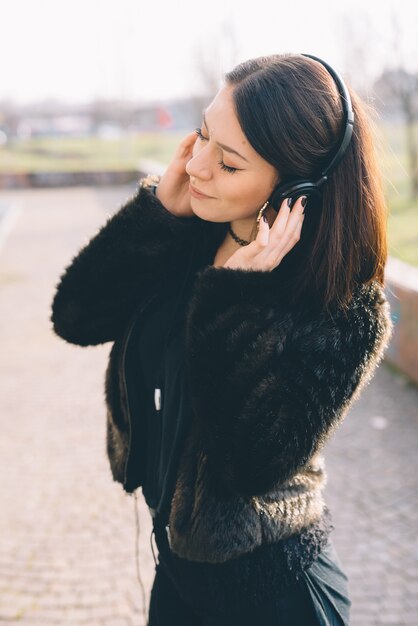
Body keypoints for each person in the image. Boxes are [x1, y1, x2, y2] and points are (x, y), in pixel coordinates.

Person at [51, 52, 393, 625]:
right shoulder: (185, 233)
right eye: (203, 134)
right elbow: (76, 316)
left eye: (229, 164)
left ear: (297, 188)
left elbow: (250, 462)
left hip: (275, 593)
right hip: (177, 573)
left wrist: (232, 304)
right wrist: (157, 214)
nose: (199, 167)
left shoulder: (345, 310)